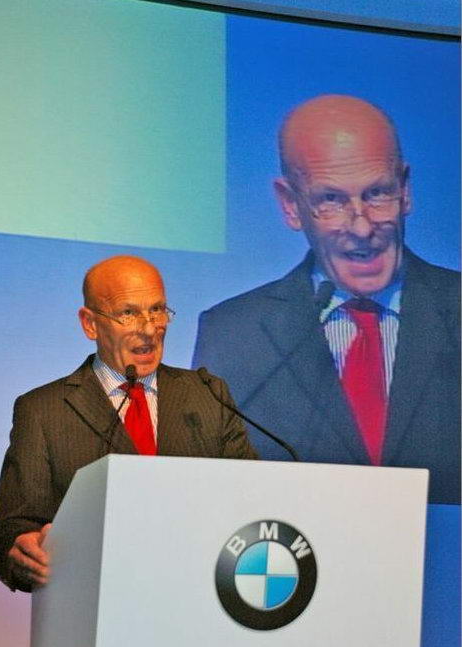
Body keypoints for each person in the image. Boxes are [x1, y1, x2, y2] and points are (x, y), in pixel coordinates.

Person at [193, 94, 460, 505]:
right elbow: (205, 494)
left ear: (405, 190)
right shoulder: (233, 335)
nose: (361, 227)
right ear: (291, 205)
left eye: (377, 193)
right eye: (331, 200)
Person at [0, 255, 257, 592]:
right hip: (93, 596)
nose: (149, 328)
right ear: (90, 324)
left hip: (199, 591)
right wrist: (19, 550)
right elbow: (14, 526)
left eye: (157, 310)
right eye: (128, 313)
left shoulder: (208, 394)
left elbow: (251, 496)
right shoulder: (43, 410)